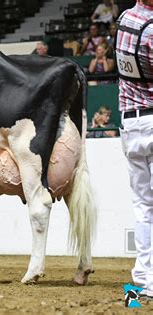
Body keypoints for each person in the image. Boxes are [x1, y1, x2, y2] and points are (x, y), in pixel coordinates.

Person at [116, 0, 153, 299]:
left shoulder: (125, 18)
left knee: (143, 206)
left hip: (130, 124)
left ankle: (140, 282)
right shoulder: (152, 30)